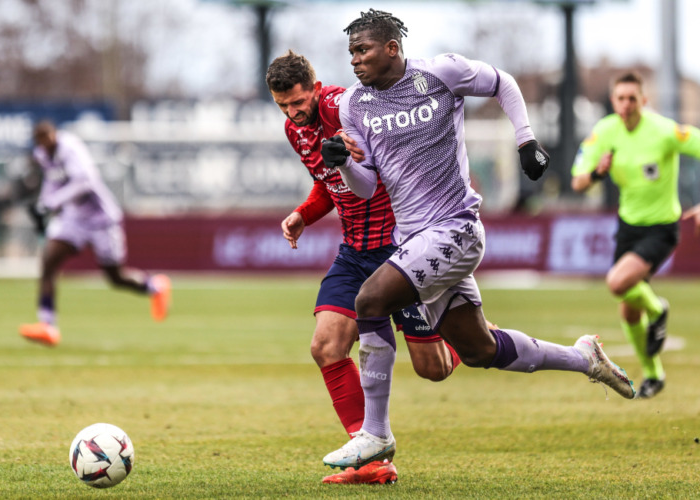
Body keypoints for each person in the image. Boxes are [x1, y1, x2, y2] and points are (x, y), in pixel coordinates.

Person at [318, 9, 637, 469]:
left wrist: (526, 141)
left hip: (455, 229)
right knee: (479, 349)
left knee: (369, 301)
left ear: (391, 48)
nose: (354, 60)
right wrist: (343, 163)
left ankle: (376, 433)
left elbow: (503, 82)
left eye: (362, 50)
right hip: (413, 240)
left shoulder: (439, 72)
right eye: (350, 52)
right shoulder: (353, 105)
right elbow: (367, 185)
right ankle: (582, 357)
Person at [266, 50, 475, 485]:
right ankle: (372, 459)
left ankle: (469, 334)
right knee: (325, 346)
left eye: (298, 102)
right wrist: (304, 213)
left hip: (399, 251)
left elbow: (383, 172)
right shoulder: (295, 130)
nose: (293, 112)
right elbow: (329, 185)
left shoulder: (346, 108)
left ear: (315, 86)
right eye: (283, 105)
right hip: (354, 251)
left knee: (432, 368)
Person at [571, 72, 700, 398]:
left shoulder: (663, 130)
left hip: (661, 227)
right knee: (628, 309)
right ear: (613, 101)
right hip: (629, 227)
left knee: (617, 282)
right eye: (620, 98)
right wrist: (598, 172)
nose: (626, 104)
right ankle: (654, 374)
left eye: (632, 98)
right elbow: (578, 182)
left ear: (644, 100)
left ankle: (658, 310)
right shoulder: (604, 131)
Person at [18, 121, 171, 346]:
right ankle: (47, 326)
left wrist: (51, 203)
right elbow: (51, 182)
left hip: (101, 219)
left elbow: (85, 182)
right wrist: (43, 205)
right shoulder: (42, 154)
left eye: (48, 139)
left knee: (115, 277)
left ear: (54, 135)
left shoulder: (70, 148)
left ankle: (154, 288)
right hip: (74, 218)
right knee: (48, 263)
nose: (46, 145)